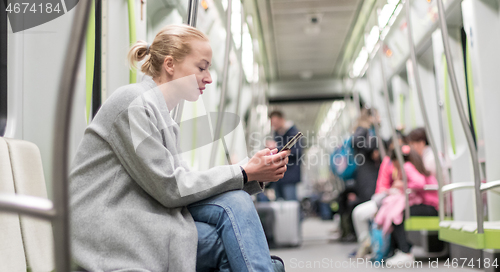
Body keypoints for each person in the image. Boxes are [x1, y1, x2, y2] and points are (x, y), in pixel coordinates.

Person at [70, 24, 289, 272]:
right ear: (170, 65)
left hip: (142, 217)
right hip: (110, 229)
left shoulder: (163, 116)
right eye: (201, 68)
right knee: (229, 245)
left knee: (236, 202)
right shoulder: (132, 103)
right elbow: (171, 188)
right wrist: (244, 172)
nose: (209, 78)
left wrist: (250, 173)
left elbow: (183, 184)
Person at [376, 145, 439, 266]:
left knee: (398, 214)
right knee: (398, 212)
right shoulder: (413, 165)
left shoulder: (407, 166)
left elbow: (419, 183)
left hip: (430, 206)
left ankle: (406, 251)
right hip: (430, 205)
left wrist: (404, 186)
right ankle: (402, 250)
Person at [338, 108, 381, 243]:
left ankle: (371, 239)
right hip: (367, 174)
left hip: (364, 173)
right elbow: (357, 142)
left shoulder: (362, 130)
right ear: (370, 117)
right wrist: (372, 147)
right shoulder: (363, 130)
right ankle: (372, 240)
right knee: (370, 203)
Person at [269, 110, 303, 201]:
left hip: (290, 177)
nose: (274, 126)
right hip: (278, 177)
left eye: (275, 123)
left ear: (281, 120)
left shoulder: (293, 133)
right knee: (280, 209)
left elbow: (296, 151)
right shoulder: (276, 135)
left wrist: (276, 147)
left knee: (291, 206)